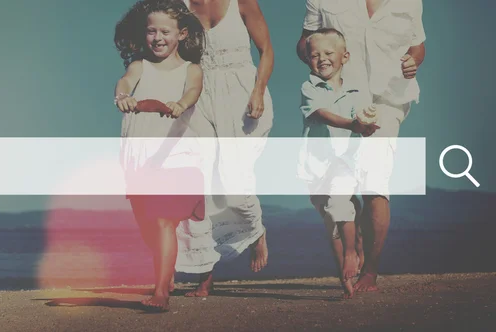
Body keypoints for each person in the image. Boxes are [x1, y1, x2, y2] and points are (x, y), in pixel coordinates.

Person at [297, 0, 427, 292]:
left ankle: (370, 272)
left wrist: (413, 61)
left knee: (375, 180)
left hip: (386, 101)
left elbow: (418, 45)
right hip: (338, 97)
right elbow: (303, 43)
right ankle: (352, 233)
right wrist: (320, 59)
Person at [175, 0, 274, 297]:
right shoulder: (177, 6)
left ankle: (255, 230)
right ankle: (205, 276)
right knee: (199, 187)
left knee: (234, 180)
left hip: (242, 96)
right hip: (198, 98)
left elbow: (266, 50)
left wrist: (257, 92)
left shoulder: (242, 2)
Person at [113, 0, 206, 312]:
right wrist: (123, 96)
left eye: (164, 31)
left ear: (180, 34)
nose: (157, 37)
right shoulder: (140, 66)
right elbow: (125, 82)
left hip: (177, 155)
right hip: (141, 158)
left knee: (164, 221)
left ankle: (161, 292)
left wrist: (181, 103)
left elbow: (193, 91)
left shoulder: (190, 70)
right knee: (147, 225)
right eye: (151, 31)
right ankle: (166, 276)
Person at [298, 28, 379, 298]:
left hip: (344, 161)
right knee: (330, 218)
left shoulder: (355, 90)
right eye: (314, 55)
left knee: (338, 204)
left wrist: (364, 125)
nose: (321, 58)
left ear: (344, 57)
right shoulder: (309, 87)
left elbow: (361, 119)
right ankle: (348, 258)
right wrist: (354, 124)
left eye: (328, 53)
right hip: (315, 165)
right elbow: (322, 114)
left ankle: (351, 254)